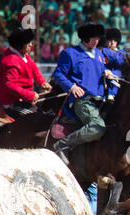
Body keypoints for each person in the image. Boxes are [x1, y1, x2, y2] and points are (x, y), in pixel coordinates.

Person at [52, 22, 113, 165]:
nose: (97, 41)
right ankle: (63, 144)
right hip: (82, 100)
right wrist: (71, 86)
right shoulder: (70, 54)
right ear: (85, 38)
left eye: (98, 38)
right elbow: (58, 74)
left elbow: (99, 70)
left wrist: (107, 72)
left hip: (101, 100)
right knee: (97, 128)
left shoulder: (98, 54)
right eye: (93, 38)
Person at [0, 28, 52, 120]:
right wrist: (30, 95)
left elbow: (33, 68)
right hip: (11, 102)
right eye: (28, 43)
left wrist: (42, 82)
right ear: (20, 44)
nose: (31, 45)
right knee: (37, 118)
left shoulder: (22, 54)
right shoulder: (10, 61)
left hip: (23, 97)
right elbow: (10, 86)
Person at [101, 28, 127, 103]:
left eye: (115, 41)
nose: (112, 43)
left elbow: (121, 63)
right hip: (105, 74)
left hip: (118, 75)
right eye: (110, 40)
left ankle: (111, 94)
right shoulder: (102, 51)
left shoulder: (122, 52)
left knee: (117, 72)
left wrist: (112, 55)